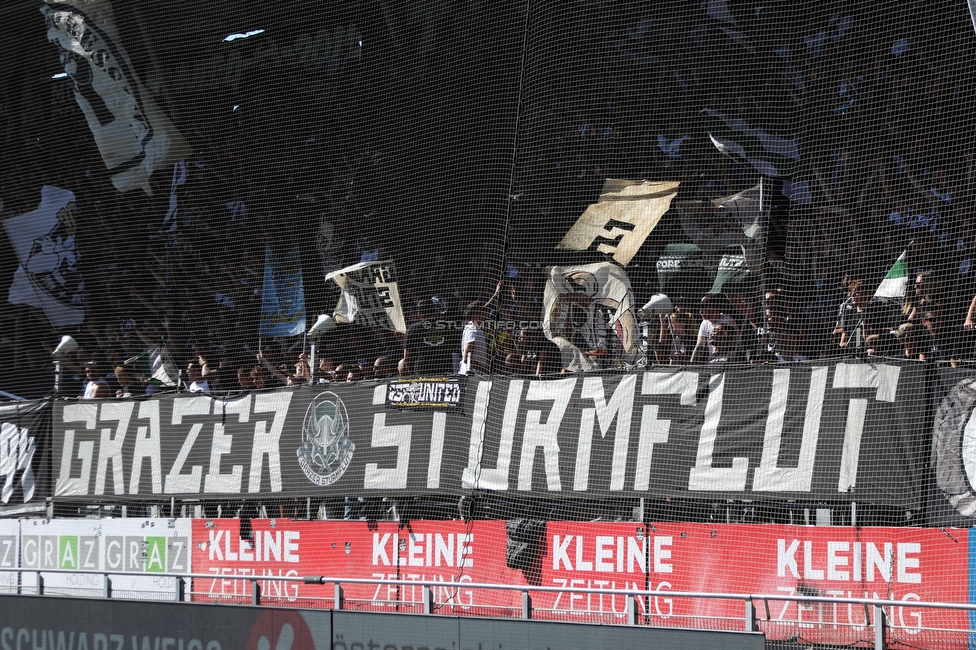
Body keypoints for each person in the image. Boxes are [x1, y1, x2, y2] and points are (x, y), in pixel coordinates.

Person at [401, 297, 460, 376]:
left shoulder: (412, 329)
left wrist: (412, 376)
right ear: (435, 311)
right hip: (445, 370)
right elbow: (457, 346)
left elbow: (407, 358)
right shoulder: (447, 326)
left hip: (422, 372)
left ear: (419, 314)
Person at [690, 294, 739, 364]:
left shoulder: (728, 321)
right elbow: (699, 346)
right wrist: (691, 366)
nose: (700, 312)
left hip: (727, 360)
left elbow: (737, 343)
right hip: (713, 360)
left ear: (713, 308)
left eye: (703, 308)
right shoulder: (704, 323)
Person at [459, 302, 488, 375]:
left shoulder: (472, 327)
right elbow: (467, 359)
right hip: (471, 377)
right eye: (482, 311)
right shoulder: (473, 330)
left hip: (475, 376)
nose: (486, 313)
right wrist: (486, 371)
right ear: (476, 314)